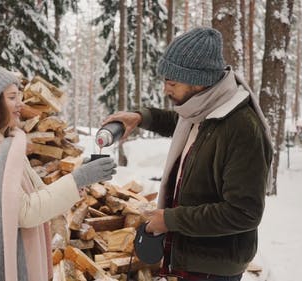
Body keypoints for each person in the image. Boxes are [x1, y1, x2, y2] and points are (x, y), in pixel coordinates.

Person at [103, 27, 273, 281]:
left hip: (212, 269)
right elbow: (181, 122)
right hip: (191, 259)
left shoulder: (241, 129)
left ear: (199, 81)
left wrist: (171, 220)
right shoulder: (205, 108)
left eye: (172, 83)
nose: (165, 90)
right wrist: (140, 118)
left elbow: (244, 213)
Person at [0, 65, 116, 281]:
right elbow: (23, 211)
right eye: (11, 97)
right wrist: (77, 180)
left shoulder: (5, 149)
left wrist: (80, 176)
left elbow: (40, 197)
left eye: (19, 96)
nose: (20, 104)